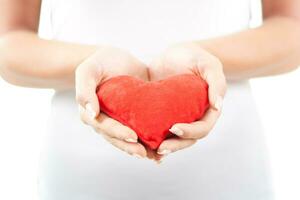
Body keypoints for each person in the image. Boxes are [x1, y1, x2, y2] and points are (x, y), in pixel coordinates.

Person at [0, 0, 299, 199]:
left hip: (229, 177)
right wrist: (90, 62)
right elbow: (9, 41)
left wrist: (202, 61)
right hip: (80, 182)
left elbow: (290, 29)